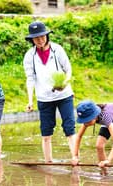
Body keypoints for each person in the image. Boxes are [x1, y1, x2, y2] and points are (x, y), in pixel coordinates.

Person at [23, 21, 76, 163]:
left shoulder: (57, 49)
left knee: (69, 128)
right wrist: (29, 100)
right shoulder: (29, 56)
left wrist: (65, 83)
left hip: (64, 95)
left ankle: (75, 159)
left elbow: (68, 69)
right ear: (31, 40)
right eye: (36, 38)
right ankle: (48, 162)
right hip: (44, 98)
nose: (40, 40)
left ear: (47, 36)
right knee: (46, 132)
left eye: (42, 36)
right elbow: (30, 78)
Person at [72, 100, 113, 173]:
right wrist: (75, 156)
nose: (86, 123)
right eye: (84, 121)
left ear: (94, 115)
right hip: (108, 121)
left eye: (87, 120)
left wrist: (108, 160)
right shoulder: (88, 120)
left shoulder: (105, 116)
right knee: (99, 145)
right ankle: (104, 171)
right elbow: (78, 136)